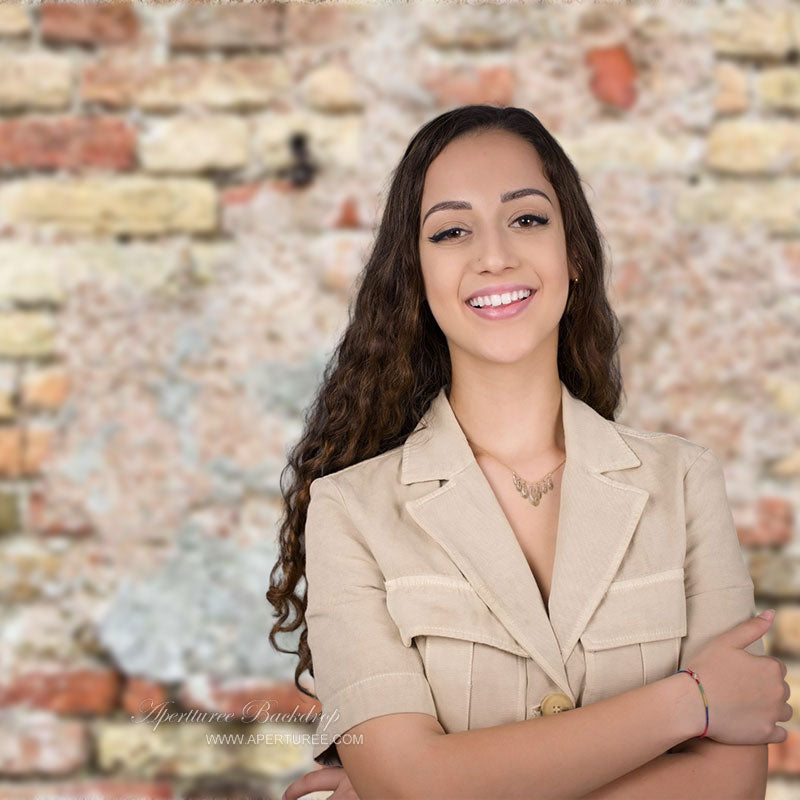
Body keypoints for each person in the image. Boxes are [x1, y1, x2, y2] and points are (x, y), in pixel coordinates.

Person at [268, 105, 790, 800]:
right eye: (452, 231)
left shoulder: (685, 483)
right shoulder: (349, 512)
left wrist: (438, 785)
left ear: (572, 251)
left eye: (527, 218)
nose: (494, 255)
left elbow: (731, 786)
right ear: (416, 276)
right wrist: (689, 703)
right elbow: (410, 783)